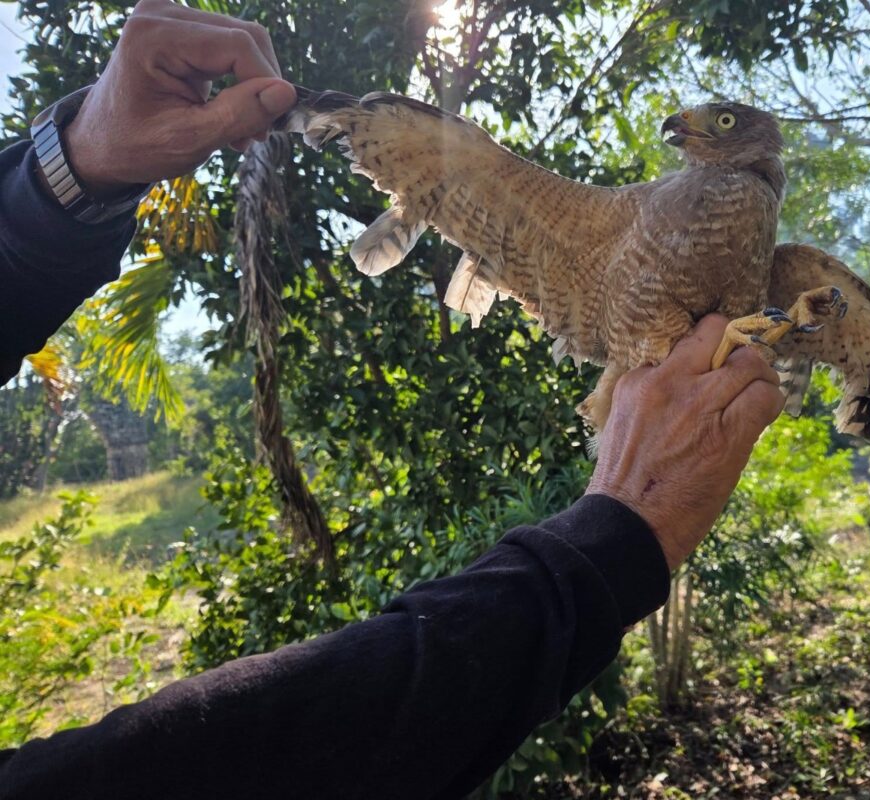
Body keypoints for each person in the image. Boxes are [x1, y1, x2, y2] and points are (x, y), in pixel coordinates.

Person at [0, 2, 785, 798]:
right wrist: (612, 536)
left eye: (718, 120)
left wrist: (66, 171)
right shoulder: (628, 209)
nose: (689, 127)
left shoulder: (755, 208)